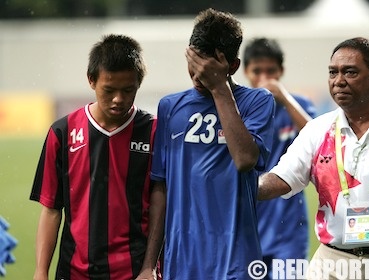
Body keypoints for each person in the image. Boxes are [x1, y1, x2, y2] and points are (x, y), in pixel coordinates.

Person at [258, 37, 369, 279]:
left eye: (350, 72)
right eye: (333, 72)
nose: (338, 81)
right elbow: (280, 179)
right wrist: (239, 187)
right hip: (332, 263)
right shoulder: (316, 130)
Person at [150, 8, 275, 279]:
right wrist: (149, 264)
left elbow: (244, 159)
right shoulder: (169, 107)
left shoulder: (257, 101)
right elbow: (160, 187)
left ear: (232, 66)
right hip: (182, 259)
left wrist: (219, 88)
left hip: (236, 257)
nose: (198, 75)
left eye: (208, 67)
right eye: (194, 63)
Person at [30, 34, 165, 280]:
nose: (118, 99)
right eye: (109, 90)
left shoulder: (154, 132)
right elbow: (51, 209)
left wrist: (150, 266)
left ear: (139, 83)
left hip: (135, 272)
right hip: (75, 272)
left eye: (128, 90)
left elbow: (161, 203)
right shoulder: (62, 132)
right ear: (91, 80)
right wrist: (40, 272)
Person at [243, 37, 316, 273]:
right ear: (245, 72)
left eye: (271, 71)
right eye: (257, 71)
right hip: (247, 226)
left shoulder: (297, 105)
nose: (264, 78)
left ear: (281, 71)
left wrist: (284, 97)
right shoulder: (237, 111)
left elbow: (320, 140)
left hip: (288, 228)